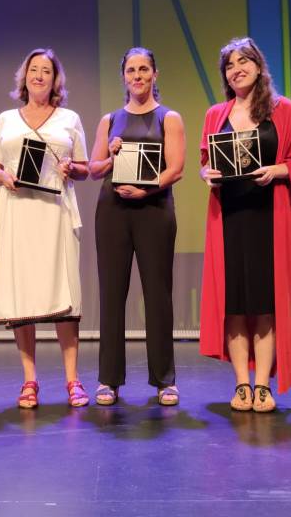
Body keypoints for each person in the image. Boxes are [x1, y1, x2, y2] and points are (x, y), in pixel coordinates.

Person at [199, 37, 291, 412]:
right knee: (233, 305)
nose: (237, 69)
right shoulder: (216, 114)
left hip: (267, 216)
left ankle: (262, 385)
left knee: (264, 304)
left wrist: (276, 171)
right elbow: (205, 162)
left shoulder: (283, 110)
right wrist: (207, 174)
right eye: (230, 65)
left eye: (244, 61)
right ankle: (242, 385)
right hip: (229, 218)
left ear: (259, 67)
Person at [0, 48, 90, 409]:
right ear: (24, 76)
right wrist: (5, 178)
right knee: (23, 294)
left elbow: (85, 167)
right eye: (34, 69)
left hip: (55, 211)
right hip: (17, 210)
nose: (40, 76)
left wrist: (70, 169)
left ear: (55, 79)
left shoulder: (69, 118)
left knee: (63, 292)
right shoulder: (6, 119)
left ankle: (73, 380)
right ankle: (29, 380)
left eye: (47, 70)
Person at [89, 47, 185, 406]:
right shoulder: (109, 120)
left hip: (154, 209)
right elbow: (94, 168)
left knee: (157, 294)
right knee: (112, 294)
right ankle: (108, 380)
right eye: (131, 70)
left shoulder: (169, 117)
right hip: (113, 210)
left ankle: (165, 379)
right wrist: (110, 154)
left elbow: (176, 168)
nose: (138, 76)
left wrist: (145, 189)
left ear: (155, 74)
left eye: (144, 69)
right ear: (124, 77)